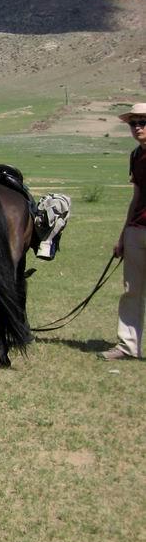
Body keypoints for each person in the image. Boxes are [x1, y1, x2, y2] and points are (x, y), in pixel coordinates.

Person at [101, 102, 146, 361]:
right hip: (136, 230)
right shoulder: (135, 156)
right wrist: (123, 235)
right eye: (133, 123)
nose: (138, 127)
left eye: (143, 122)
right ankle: (129, 345)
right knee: (131, 290)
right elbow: (137, 196)